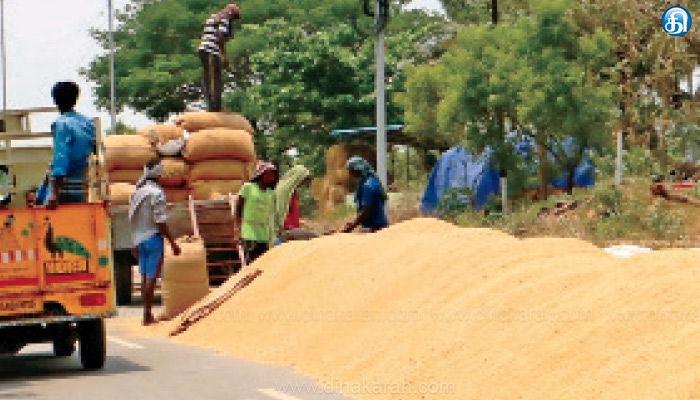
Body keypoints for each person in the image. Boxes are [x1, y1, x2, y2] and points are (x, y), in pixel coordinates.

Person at [129, 159, 181, 325]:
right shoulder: (157, 193)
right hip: (153, 239)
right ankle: (147, 315)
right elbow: (160, 221)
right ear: (159, 175)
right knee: (152, 277)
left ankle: (146, 313)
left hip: (139, 239)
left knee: (144, 276)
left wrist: (134, 240)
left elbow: (131, 218)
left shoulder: (137, 192)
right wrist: (172, 242)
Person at [46, 81, 96, 209]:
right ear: (76, 100)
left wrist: (54, 194)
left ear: (55, 101)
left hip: (65, 187)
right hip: (83, 183)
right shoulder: (87, 123)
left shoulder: (61, 124)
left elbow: (60, 158)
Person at [198, 3, 240, 111]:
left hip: (203, 49)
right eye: (234, 17)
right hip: (212, 51)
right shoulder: (225, 19)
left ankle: (211, 104)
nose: (233, 20)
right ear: (230, 12)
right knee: (215, 78)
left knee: (208, 77)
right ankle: (215, 106)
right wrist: (224, 55)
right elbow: (220, 38)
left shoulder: (213, 17)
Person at [235, 161, 277, 264]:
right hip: (249, 232)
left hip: (264, 234)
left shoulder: (271, 193)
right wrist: (237, 227)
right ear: (261, 174)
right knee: (251, 263)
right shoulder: (248, 187)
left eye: (273, 174)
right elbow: (239, 207)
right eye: (268, 174)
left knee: (264, 263)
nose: (271, 177)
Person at [342, 156, 389, 233]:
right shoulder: (371, 181)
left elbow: (365, 211)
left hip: (375, 228)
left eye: (351, 171)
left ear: (357, 169)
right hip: (379, 226)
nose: (350, 174)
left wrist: (352, 226)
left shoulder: (367, 186)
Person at [273, 165, 310, 242]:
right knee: (314, 237)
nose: (303, 183)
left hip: (292, 228)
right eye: (303, 180)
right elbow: (280, 213)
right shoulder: (284, 191)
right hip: (286, 230)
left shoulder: (292, 192)